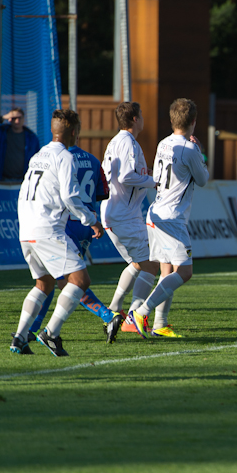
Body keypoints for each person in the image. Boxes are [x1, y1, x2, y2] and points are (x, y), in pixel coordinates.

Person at [9, 110, 105, 356]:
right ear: (74, 131)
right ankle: (51, 333)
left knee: (44, 283)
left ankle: (19, 337)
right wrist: (92, 220)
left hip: (27, 229)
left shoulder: (38, 155)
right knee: (80, 281)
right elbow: (70, 196)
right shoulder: (65, 157)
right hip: (48, 229)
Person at [24, 110, 124, 343]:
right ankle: (37, 329)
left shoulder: (56, 158)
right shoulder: (92, 159)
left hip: (65, 222)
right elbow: (103, 192)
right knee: (62, 279)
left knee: (56, 278)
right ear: (76, 132)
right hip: (86, 223)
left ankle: (105, 315)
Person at [128, 98, 209, 338]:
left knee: (166, 271)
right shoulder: (191, 148)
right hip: (172, 218)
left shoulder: (163, 143)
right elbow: (203, 179)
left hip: (155, 212)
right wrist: (201, 153)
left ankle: (159, 324)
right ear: (194, 122)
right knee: (185, 272)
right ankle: (141, 312)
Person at [100, 101, 160, 334]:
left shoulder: (117, 141)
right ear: (135, 119)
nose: (143, 118)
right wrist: (153, 181)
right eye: (142, 114)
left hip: (118, 211)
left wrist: (148, 177)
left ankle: (115, 308)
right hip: (123, 214)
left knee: (137, 262)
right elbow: (126, 176)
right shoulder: (127, 142)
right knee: (152, 263)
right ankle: (134, 316)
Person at [0, 107, 40, 181]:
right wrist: (3, 117)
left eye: (19, 118)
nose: (17, 121)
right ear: (10, 119)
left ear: (24, 119)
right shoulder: (1, 132)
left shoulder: (32, 138)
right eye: (14, 118)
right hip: (2, 179)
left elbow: (37, 158)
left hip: (23, 179)